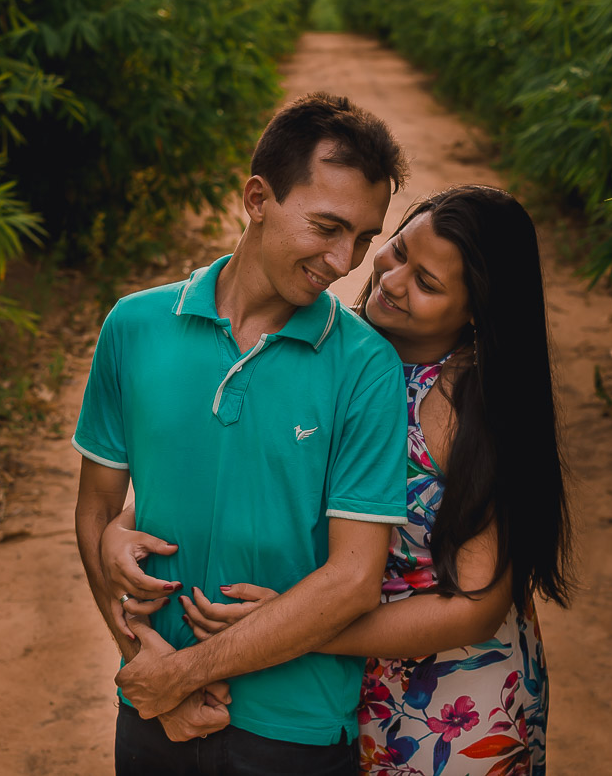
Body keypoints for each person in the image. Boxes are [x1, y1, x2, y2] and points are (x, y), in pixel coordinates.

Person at [104, 185, 574, 775]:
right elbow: (257, 472)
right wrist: (123, 525)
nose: (393, 281)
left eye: (427, 284)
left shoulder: (467, 408)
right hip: (343, 686)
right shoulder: (343, 354)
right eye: (398, 251)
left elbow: (475, 608)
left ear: (479, 309)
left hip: (453, 702)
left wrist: (298, 629)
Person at [72, 92, 412, 774]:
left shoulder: (366, 365)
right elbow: (97, 510)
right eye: (327, 226)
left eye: (365, 237)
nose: (345, 260)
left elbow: (352, 580)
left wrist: (184, 671)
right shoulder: (133, 328)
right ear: (258, 198)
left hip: (297, 726)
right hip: (153, 713)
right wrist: (148, 666)